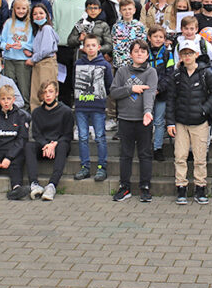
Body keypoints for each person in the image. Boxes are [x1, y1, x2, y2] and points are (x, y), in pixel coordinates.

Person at [165, 39, 212, 205]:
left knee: (200, 158)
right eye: (184, 54)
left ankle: (200, 188)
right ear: (180, 56)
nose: (187, 56)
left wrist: (204, 109)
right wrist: (170, 122)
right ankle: (181, 187)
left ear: (196, 54)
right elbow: (171, 99)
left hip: (200, 122)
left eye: (190, 53)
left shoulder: (206, 73)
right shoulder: (176, 75)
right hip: (181, 122)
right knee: (180, 156)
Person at [111, 40, 159, 203]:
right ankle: (124, 187)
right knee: (125, 154)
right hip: (125, 119)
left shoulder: (151, 72)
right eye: (136, 51)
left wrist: (147, 112)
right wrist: (131, 89)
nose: (139, 54)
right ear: (130, 54)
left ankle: (145, 187)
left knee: (145, 154)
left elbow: (150, 92)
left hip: (143, 120)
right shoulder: (122, 72)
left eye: (143, 51)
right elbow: (114, 92)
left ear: (147, 55)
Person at [72, 33, 113, 183]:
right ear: (83, 48)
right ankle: (85, 167)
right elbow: (74, 83)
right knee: (83, 137)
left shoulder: (105, 65)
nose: (90, 48)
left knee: (100, 137)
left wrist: (100, 97)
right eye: (87, 45)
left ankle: (102, 167)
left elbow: (109, 85)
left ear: (98, 47)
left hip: (97, 106)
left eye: (93, 45)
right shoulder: (78, 64)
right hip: (81, 106)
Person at [24, 80, 75, 200]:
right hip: (44, 146)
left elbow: (68, 135)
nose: (47, 95)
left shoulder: (66, 111)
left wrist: (54, 144)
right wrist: (46, 145)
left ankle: (52, 185)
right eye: (45, 92)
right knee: (28, 146)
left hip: (59, 145)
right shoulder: (36, 112)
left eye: (51, 91)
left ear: (56, 93)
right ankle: (34, 184)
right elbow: (36, 134)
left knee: (63, 145)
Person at [52, 0, 88, 105]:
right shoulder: (58, 2)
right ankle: (65, 112)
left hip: (80, 48)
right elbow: (55, 24)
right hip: (62, 48)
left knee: (81, 83)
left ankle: (81, 112)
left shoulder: (86, 1)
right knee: (63, 83)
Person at [148, 26, 176, 161]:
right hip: (146, 93)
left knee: (159, 121)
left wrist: (159, 88)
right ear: (149, 38)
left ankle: (157, 148)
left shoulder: (167, 53)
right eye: (155, 36)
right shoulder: (144, 51)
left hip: (162, 92)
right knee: (146, 120)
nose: (158, 39)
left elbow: (170, 73)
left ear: (165, 39)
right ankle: (146, 146)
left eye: (161, 37)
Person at [0, 0, 33, 104]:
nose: (20, 11)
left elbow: (33, 43)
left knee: (24, 89)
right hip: (9, 60)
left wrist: (23, 45)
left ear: (28, 10)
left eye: (23, 8)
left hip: (23, 61)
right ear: (14, 9)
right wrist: (6, 46)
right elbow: (1, 42)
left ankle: (26, 113)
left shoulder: (31, 24)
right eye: (18, 8)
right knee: (9, 89)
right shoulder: (9, 23)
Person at [25, 4, 59, 110]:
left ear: (47, 15)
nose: (38, 16)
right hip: (39, 64)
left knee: (46, 93)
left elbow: (46, 50)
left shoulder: (47, 28)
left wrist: (33, 59)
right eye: (35, 14)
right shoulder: (39, 30)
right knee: (36, 95)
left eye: (41, 13)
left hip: (46, 64)